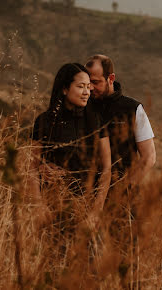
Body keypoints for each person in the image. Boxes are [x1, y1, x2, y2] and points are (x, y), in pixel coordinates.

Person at [28, 63, 111, 229]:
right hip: (51, 209)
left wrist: (95, 212)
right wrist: (38, 206)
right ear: (65, 89)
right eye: (80, 87)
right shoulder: (45, 121)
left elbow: (107, 169)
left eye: (88, 87)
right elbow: (31, 167)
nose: (87, 92)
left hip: (86, 211)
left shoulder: (96, 121)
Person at [85, 54, 156, 188]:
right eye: (88, 83)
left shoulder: (133, 109)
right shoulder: (82, 106)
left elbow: (149, 157)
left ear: (111, 78)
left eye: (95, 82)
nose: (90, 88)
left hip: (121, 197)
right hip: (83, 193)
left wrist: (125, 189)